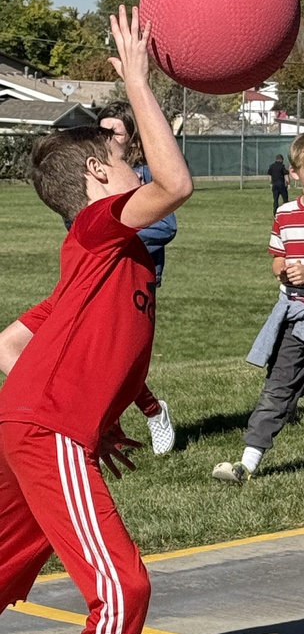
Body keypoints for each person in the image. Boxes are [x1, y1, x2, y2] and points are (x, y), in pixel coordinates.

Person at [0, 6, 193, 634]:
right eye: (124, 161)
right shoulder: (96, 232)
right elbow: (177, 183)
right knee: (122, 588)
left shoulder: (104, 265)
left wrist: (99, 412)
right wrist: (137, 81)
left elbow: (13, 345)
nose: (140, 172)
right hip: (45, 430)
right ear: (96, 184)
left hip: (35, 425)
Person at [212, 132, 304, 484]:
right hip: (293, 316)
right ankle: (248, 462)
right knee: (277, 390)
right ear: (294, 174)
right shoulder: (285, 213)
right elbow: (278, 255)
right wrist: (282, 269)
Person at [98, 100, 176, 455]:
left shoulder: (145, 176)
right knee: (100, 356)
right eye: (101, 130)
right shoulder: (96, 176)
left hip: (136, 282)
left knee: (121, 359)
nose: (106, 137)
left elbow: (165, 227)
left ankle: (154, 411)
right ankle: (106, 428)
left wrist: (117, 233)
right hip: (98, 278)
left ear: (130, 138)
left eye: (113, 131)